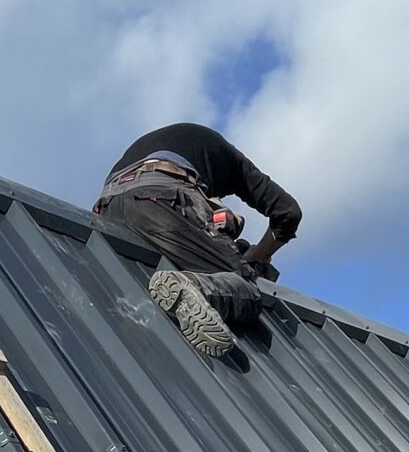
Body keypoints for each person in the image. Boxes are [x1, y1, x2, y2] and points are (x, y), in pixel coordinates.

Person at [94, 122, 302, 359]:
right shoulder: (231, 160)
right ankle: (193, 286)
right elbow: (288, 212)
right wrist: (259, 254)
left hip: (107, 206)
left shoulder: (185, 145)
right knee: (247, 290)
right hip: (161, 197)